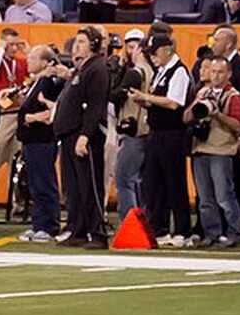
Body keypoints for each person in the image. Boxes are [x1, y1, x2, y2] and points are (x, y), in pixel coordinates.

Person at [130, 34, 191, 247]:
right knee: (155, 183)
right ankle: (160, 228)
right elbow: (159, 101)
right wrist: (144, 101)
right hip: (156, 134)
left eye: (155, 52)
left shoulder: (179, 71)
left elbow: (174, 103)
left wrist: (146, 97)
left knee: (175, 183)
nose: (152, 57)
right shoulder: (161, 72)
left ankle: (182, 230)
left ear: (167, 49)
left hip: (172, 134)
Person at [52, 27, 110, 249]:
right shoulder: (81, 69)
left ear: (94, 45)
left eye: (82, 42)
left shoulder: (97, 69)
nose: (77, 46)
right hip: (69, 134)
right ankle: (77, 229)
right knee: (74, 187)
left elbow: (95, 106)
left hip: (83, 135)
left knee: (90, 185)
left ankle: (97, 233)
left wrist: (85, 135)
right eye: (76, 42)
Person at [183, 56, 240, 247]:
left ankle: (234, 233)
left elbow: (238, 126)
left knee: (224, 196)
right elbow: (185, 118)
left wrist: (217, 114)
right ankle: (212, 234)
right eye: (213, 71)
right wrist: (197, 103)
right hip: (200, 148)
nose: (216, 76)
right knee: (205, 198)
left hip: (222, 150)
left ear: (229, 74)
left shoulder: (234, 96)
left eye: (220, 72)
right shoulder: (203, 92)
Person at [16, 45, 64, 242]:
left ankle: (50, 225)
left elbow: (49, 111)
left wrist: (32, 117)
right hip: (31, 140)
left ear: (46, 62)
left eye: (34, 57)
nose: (28, 60)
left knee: (45, 183)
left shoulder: (49, 83)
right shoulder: (37, 82)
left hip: (42, 139)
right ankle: (38, 224)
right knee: (35, 185)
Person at [110, 28, 153, 224]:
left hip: (134, 131)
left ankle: (130, 224)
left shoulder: (136, 73)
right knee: (138, 181)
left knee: (124, 180)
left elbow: (114, 95)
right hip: (146, 130)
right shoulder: (153, 71)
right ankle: (142, 222)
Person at [0, 28, 28, 198]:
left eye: (17, 44)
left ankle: (17, 200)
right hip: (3, 116)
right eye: (11, 44)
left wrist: (28, 50)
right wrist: (0, 48)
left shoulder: (19, 62)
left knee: (17, 160)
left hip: (19, 115)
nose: (14, 48)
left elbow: (33, 72)